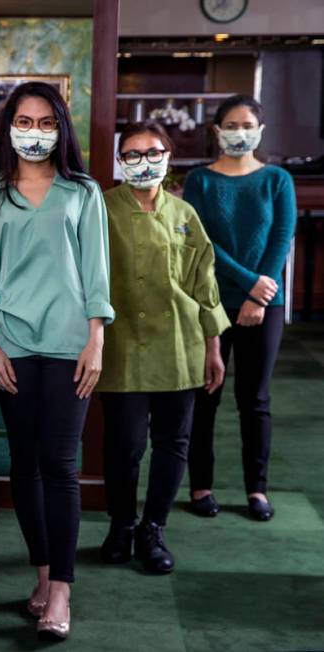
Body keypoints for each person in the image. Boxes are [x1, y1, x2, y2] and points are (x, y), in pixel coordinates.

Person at [0, 82, 113, 639]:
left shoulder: (83, 192)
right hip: (12, 345)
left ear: (62, 128)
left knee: (61, 465)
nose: (34, 132)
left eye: (46, 121)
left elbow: (96, 273)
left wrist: (96, 339)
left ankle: (63, 591)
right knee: (23, 464)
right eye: (23, 121)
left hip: (72, 344)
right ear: (7, 129)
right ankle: (45, 575)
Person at [98, 121, 230, 574]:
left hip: (180, 343)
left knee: (173, 443)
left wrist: (213, 345)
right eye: (132, 154)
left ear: (168, 156)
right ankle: (120, 524)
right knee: (124, 446)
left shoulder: (183, 213)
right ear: (120, 162)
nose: (143, 162)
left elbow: (203, 282)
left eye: (153, 152)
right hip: (120, 345)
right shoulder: (101, 208)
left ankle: (153, 528)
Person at [185, 95, 297, 522]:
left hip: (264, 306)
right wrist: (248, 285)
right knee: (205, 396)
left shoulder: (277, 179)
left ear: (260, 130)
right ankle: (201, 486)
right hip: (211, 301)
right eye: (230, 124)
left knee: (255, 400)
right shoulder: (200, 181)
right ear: (217, 131)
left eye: (246, 123)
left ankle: (257, 490)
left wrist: (258, 297)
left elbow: (281, 236)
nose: (239, 131)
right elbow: (202, 243)